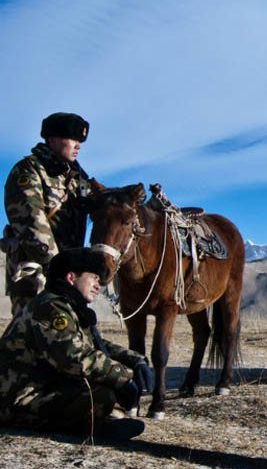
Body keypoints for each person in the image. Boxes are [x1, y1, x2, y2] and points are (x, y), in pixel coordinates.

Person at [0, 247, 153, 441]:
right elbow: (74, 358)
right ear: (71, 278)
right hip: (18, 400)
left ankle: (101, 420)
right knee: (101, 395)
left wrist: (135, 360)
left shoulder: (66, 305)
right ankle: (92, 428)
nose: (99, 285)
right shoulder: (50, 307)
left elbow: (93, 345)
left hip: (42, 388)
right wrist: (124, 377)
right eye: (94, 278)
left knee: (104, 389)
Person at [3, 113, 96, 318]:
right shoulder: (29, 170)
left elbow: (102, 207)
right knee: (33, 340)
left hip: (68, 279)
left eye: (80, 141)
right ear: (53, 140)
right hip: (34, 278)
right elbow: (31, 223)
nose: (78, 145)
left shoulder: (78, 179)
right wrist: (60, 271)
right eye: (72, 139)